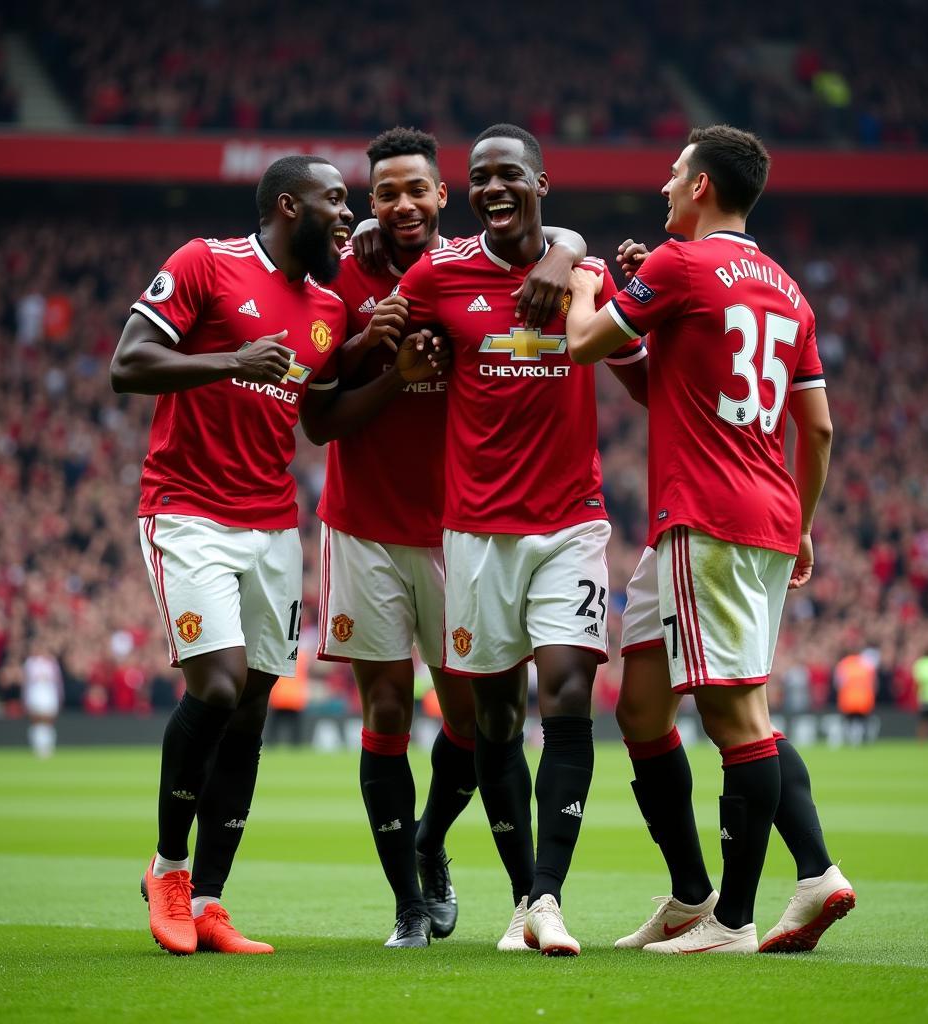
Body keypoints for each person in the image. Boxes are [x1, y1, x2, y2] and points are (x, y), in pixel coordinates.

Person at [110, 154, 445, 957]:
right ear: (288, 205)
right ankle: (168, 870)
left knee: (255, 705)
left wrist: (388, 367)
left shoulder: (327, 306)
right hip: (187, 511)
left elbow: (324, 421)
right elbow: (129, 364)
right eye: (337, 201)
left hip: (271, 523)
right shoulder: (206, 262)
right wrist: (231, 359)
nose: (348, 213)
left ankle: (214, 903)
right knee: (217, 685)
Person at [565, 125, 855, 954]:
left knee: (737, 716)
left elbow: (585, 341)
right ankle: (699, 896)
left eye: (672, 173)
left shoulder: (680, 264)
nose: (662, 186)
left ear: (700, 187)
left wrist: (588, 281)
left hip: (710, 516)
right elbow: (820, 429)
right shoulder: (788, 291)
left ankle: (734, 918)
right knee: (647, 708)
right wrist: (800, 524)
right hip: (754, 515)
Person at [303, 127, 593, 948]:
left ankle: (434, 842)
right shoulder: (346, 279)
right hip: (364, 526)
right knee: (389, 709)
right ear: (368, 205)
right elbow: (317, 415)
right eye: (385, 193)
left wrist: (563, 250)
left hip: (464, 531)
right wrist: (385, 359)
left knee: (473, 724)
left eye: (416, 191)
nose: (402, 205)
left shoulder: (477, 257)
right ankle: (408, 905)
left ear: (441, 196)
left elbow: (551, 235)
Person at [396, 124, 647, 956]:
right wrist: (405, 341)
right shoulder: (439, 272)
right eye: (479, 178)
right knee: (496, 718)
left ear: (543, 181)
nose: (492, 188)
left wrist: (632, 300)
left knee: (567, 697)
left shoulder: (585, 276)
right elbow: (388, 325)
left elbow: (642, 381)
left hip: (570, 523)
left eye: (509, 175)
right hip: (475, 535)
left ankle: (548, 898)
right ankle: (516, 899)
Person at [834, 650, 877, 745]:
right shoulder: (867, 663)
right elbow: (873, 684)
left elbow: (838, 683)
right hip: (864, 700)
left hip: (848, 700)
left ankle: (850, 740)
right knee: (862, 722)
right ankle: (863, 740)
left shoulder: (843, 664)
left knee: (849, 722)